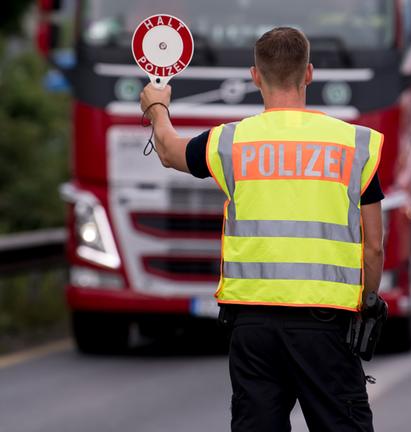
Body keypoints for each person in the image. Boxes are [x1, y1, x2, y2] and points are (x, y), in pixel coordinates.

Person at [140, 27, 384, 432]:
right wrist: (365, 305)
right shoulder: (355, 145)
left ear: (255, 76)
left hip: (252, 328)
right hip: (326, 326)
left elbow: (168, 151)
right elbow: (373, 246)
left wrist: (157, 106)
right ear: (309, 74)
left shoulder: (230, 142)